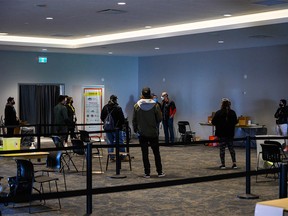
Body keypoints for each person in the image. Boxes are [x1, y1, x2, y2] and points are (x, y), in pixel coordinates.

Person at [133, 87, 165, 178]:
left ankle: (147, 173)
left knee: (145, 154)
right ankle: (159, 172)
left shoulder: (136, 105)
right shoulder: (155, 105)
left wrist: (136, 130)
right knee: (156, 153)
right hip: (153, 133)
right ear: (150, 94)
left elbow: (134, 120)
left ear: (142, 94)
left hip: (142, 133)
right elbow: (159, 118)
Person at [212, 98, 238, 169]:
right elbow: (236, 122)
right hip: (230, 134)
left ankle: (223, 164)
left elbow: (213, 122)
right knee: (231, 148)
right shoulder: (233, 112)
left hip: (221, 134)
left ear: (222, 104)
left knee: (222, 149)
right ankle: (234, 163)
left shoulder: (218, 113)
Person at [100, 95, 126, 160]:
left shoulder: (105, 107)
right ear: (115, 100)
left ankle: (111, 157)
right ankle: (122, 156)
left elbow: (102, 117)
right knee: (120, 142)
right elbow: (122, 119)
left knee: (109, 142)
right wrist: (120, 125)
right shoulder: (118, 108)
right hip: (117, 128)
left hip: (108, 128)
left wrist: (107, 123)